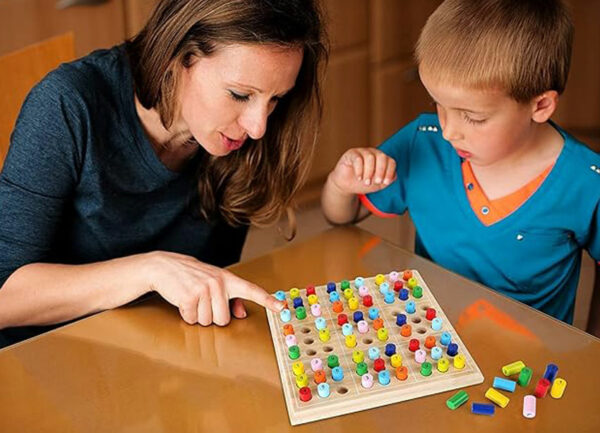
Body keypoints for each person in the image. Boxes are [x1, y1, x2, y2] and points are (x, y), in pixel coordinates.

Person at [0, 0, 328, 347]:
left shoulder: (240, 137)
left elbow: (212, 276)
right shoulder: (68, 104)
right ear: (180, 55)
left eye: (275, 98)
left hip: (161, 348)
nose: (258, 126)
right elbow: (5, 298)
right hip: (45, 356)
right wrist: (150, 271)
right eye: (240, 94)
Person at [322, 0, 600, 325]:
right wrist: (340, 184)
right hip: (431, 345)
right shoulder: (423, 141)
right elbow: (344, 216)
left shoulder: (586, 182)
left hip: (531, 368)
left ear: (540, 105)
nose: (449, 130)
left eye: (473, 117)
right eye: (438, 105)